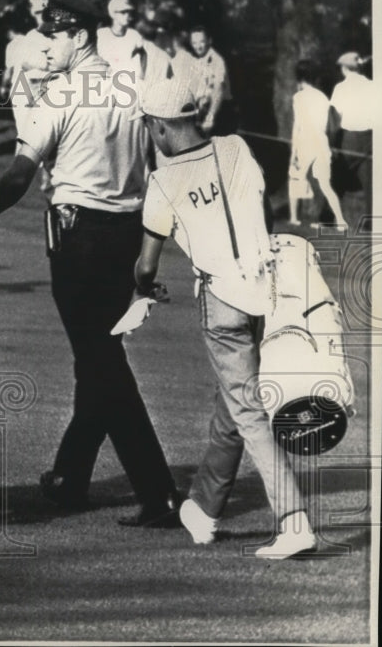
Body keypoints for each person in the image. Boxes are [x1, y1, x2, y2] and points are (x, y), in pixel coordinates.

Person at [0, 0, 182, 528]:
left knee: (101, 360)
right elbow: (162, 158)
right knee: (97, 354)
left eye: (55, 36)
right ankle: (70, 477)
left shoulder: (62, 93)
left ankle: (158, 490)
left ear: (80, 38)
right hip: (128, 231)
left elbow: (23, 170)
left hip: (79, 234)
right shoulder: (132, 87)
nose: (47, 45)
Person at [130, 76, 317, 559]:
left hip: (222, 301)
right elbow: (264, 213)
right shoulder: (236, 147)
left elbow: (147, 263)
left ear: (159, 127)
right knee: (234, 405)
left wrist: (142, 291)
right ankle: (204, 510)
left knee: (248, 411)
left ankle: (294, 521)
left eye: (149, 124)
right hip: (267, 289)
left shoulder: (163, 179)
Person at [288, 59, 348, 228]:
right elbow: (327, 126)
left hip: (306, 142)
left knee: (294, 178)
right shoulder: (323, 97)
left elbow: (297, 126)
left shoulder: (298, 97)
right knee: (325, 184)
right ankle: (341, 221)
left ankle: (293, 218)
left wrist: (293, 153)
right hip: (321, 143)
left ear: (299, 78)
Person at [328, 51, 375, 220]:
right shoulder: (372, 85)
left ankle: (327, 218)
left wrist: (332, 143)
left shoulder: (341, 88)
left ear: (344, 68)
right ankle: (372, 222)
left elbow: (334, 118)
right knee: (370, 183)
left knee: (336, 177)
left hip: (349, 137)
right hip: (370, 137)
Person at [189, 26, 233, 136]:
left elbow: (219, 89)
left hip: (217, 113)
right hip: (200, 112)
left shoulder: (217, 61)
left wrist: (210, 117)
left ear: (209, 41)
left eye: (201, 42)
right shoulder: (196, 61)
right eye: (194, 43)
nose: (198, 47)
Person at [96, 0, 144, 81]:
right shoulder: (101, 34)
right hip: (102, 79)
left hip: (126, 81)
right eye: (123, 12)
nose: (127, 16)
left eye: (129, 13)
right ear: (113, 13)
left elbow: (140, 62)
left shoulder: (134, 36)